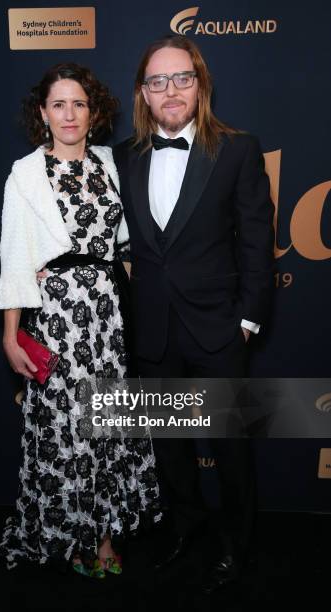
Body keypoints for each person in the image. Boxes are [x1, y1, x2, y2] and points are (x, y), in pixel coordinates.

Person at [113, 35, 275, 593]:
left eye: (182, 78)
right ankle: (186, 530)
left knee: (229, 448)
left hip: (217, 328)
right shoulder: (126, 155)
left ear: (200, 84)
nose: (171, 90)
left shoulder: (236, 149)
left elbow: (257, 240)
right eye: (157, 81)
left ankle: (238, 545)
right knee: (171, 449)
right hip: (153, 328)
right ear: (143, 92)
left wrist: (248, 319)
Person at [0, 63, 161, 578]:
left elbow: (131, 241)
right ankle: (74, 533)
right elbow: (15, 257)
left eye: (79, 104)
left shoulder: (112, 164)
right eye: (58, 104)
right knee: (68, 430)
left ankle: (104, 534)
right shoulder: (25, 174)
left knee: (105, 426)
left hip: (108, 317)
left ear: (95, 112)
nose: (69, 114)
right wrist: (10, 334)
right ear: (43, 113)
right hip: (59, 317)